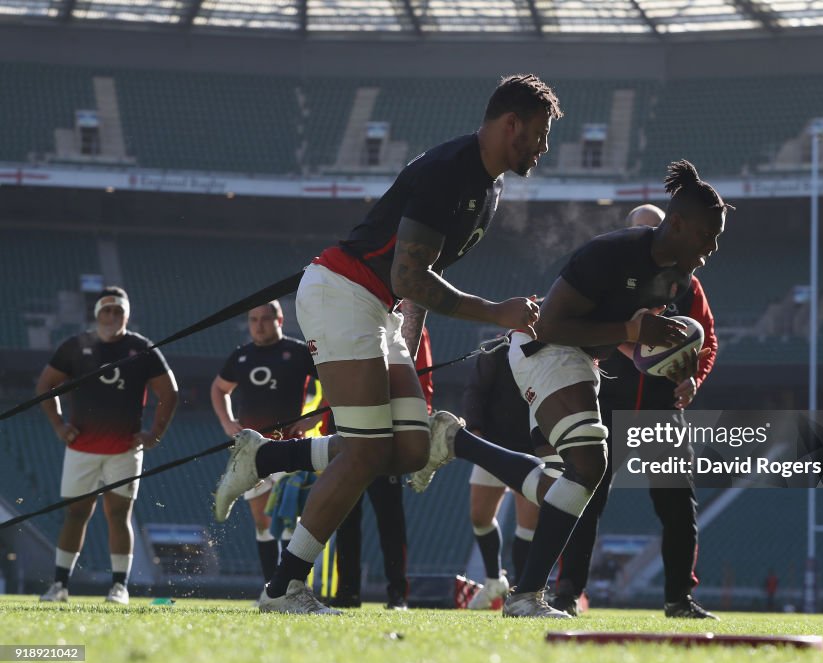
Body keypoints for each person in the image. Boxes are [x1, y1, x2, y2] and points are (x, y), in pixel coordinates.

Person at [213, 74, 562, 614]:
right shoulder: (452, 172)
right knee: (368, 450)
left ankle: (267, 455)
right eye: (538, 134)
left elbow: (416, 282)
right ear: (509, 123)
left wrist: (407, 352)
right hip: (342, 293)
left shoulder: (488, 188)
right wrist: (498, 312)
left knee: (411, 448)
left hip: (375, 307)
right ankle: (282, 588)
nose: (543, 148)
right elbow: (409, 276)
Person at [413, 160, 731, 617]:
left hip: (587, 359)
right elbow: (550, 323)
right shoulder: (609, 253)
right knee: (587, 469)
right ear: (677, 224)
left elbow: (647, 336)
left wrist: (680, 365)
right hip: (544, 345)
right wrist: (631, 331)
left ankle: (459, 446)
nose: (713, 247)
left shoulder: (681, 279)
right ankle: (531, 592)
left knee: (585, 474)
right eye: (707, 235)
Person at [552, 203, 719, 620]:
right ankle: (566, 592)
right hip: (606, 399)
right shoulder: (608, 270)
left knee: (679, 505)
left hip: (662, 408)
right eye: (640, 232)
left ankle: (679, 599)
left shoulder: (688, 283)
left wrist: (693, 378)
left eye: (655, 230)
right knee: (585, 496)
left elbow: (707, 338)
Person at [36, 286, 179, 604]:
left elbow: (169, 393)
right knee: (75, 515)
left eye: (118, 311)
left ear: (127, 315)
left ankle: (119, 587)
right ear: (97, 314)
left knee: (118, 516)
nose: (112, 316)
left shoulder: (141, 348)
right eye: (107, 310)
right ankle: (59, 585)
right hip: (81, 448)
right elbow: (45, 385)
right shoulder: (76, 346)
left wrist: (154, 434)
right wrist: (59, 424)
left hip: (124, 450)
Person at [210, 300, 319, 584]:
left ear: (279, 320)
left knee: (288, 518)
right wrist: (227, 422)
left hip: (290, 448)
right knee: (262, 521)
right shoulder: (241, 356)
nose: (258, 325)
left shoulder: (297, 352)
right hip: (251, 452)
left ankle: (292, 585)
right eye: (253, 319)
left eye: (264, 319)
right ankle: (270, 587)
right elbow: (219, 388)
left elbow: (334, 383)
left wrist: (315, 419)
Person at [331, 317, 431, 611]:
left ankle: (397, 595)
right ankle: (346, 593)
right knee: (344, 518)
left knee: (390, 519)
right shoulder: (344, 318)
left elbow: (420, 378)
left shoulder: (411, 328)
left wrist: (414, 426)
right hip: (346, 430)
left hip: (388, 433)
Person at [461, 339, 547, 609]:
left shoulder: (554, 350)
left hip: (534, 449)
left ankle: (522, 594)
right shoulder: (496, 350)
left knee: (528, 526)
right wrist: (474, 432)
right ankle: (493, 580)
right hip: (494, 445)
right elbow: (475, 391)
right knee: (479, 516)